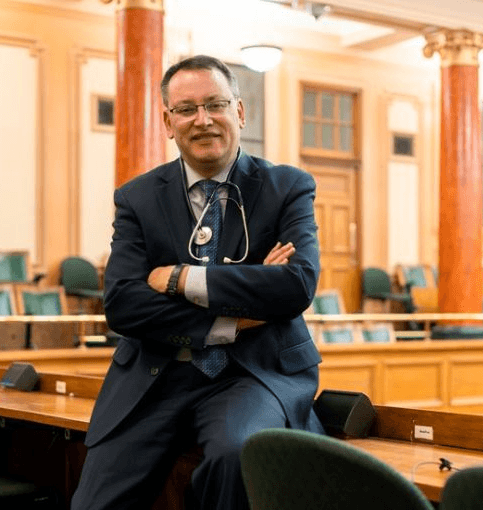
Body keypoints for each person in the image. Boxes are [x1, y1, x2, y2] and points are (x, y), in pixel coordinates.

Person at [71, 54, 324, 510]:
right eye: (186, 109)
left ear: (240, 112)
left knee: (236, 455)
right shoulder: (137, 197)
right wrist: (232, 315)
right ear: (168, 122)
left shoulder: (287, 187)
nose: (203, 120)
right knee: (94, 501)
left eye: (215, 104)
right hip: (156, 374)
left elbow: (295, 287)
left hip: (254, 374)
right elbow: (124, 304)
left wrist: (180, 278)